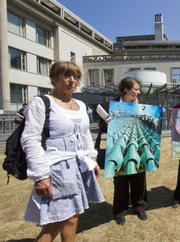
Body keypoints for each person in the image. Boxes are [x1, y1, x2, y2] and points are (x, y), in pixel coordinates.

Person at [20, 61, 104, 241]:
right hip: (56, 169)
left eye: (75, 77)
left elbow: (85, 134)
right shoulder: (42, 103)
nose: (72, 80)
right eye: (67, 75)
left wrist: (92, 158)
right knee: (56, 222)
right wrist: (41, 176)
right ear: (54, 78)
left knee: (73, 217)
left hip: (78, 167)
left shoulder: (80, 105)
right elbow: (30, 139)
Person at [99, 77, 148, 226]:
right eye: (136, 89)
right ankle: (120, 211)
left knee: (139, 178)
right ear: (126, 90)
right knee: (120, 180)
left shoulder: (142, 105)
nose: (139, 92)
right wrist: (107, 123)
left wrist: (156, 116)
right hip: (118, 148)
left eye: (139, 89)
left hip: (137, 146)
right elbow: (102, 128)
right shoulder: (111, 105)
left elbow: (148, 125)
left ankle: (139, 207)